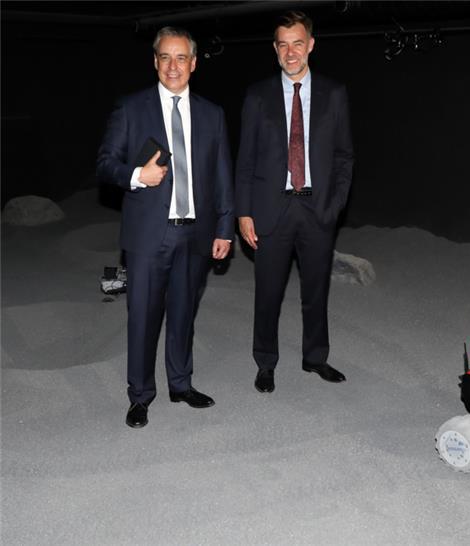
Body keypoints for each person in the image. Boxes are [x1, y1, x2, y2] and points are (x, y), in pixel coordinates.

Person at [97, 27, 234, 428]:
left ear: (193, 64)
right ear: (155, 61)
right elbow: (105, 163)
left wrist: (224, 227)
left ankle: (181, 383)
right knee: (142, 316)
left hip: (196, 233)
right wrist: (138, 174)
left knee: (183, 313)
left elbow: (222, 174)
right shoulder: (131, 107)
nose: (173, 66)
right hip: (147, 236)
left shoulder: (212, 113)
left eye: (181, 58)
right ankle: (140, 395)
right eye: (165, 58)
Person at [235, 10, 354, 394]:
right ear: (275, 49)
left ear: (311, 45)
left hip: (317, 210)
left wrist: (334, 206)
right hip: (271, 210)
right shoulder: (257, 96)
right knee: (268, 292)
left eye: (297, 43)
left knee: (316, 291)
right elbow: (245, 160)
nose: (291, 52)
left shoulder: (334, 94)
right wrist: (244, 212)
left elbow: (343, 157)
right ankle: (265, 363)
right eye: (283, 45)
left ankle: (315, 358)